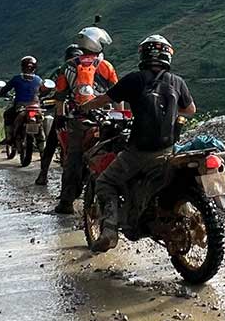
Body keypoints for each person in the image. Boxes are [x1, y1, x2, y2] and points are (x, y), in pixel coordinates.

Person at [78, 34, 195, 252]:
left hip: (139, 153)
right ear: (167, 56)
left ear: (143, 55)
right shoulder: (177, 82)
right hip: (167, 151)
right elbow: (190, 110)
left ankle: (110, 230)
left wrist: (84, 107)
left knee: (105, 182)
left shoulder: (134, 79)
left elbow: (105, 100)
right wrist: (169, 109)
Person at [54, 27, 118, 213]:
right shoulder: (106, 66)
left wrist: (60, 117)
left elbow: (59, 97)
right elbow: (116, 94)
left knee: (73, 159)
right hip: (105, 119)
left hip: (78, 120)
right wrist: (119, 114)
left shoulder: (68, 66)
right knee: (111, 152)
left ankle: (66, 202)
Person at [35, 44, 84, 187]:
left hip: (66, 110)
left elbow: (55, 93)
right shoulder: (92, 68)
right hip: (87, 111)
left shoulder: (63, 69)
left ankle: (43, 174)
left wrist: (44, 92)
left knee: (51, 141)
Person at [0, 55, 46, 145]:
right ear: (35, 68)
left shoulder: (17, 79)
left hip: (21, 105)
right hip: (35, 106)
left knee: (7, 114)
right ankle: (42, 145)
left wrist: (1, 93)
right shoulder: (38, 79)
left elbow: (6, 89)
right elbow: (43, 91)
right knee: (40, 122)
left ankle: (9, 137)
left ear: (22, 67)